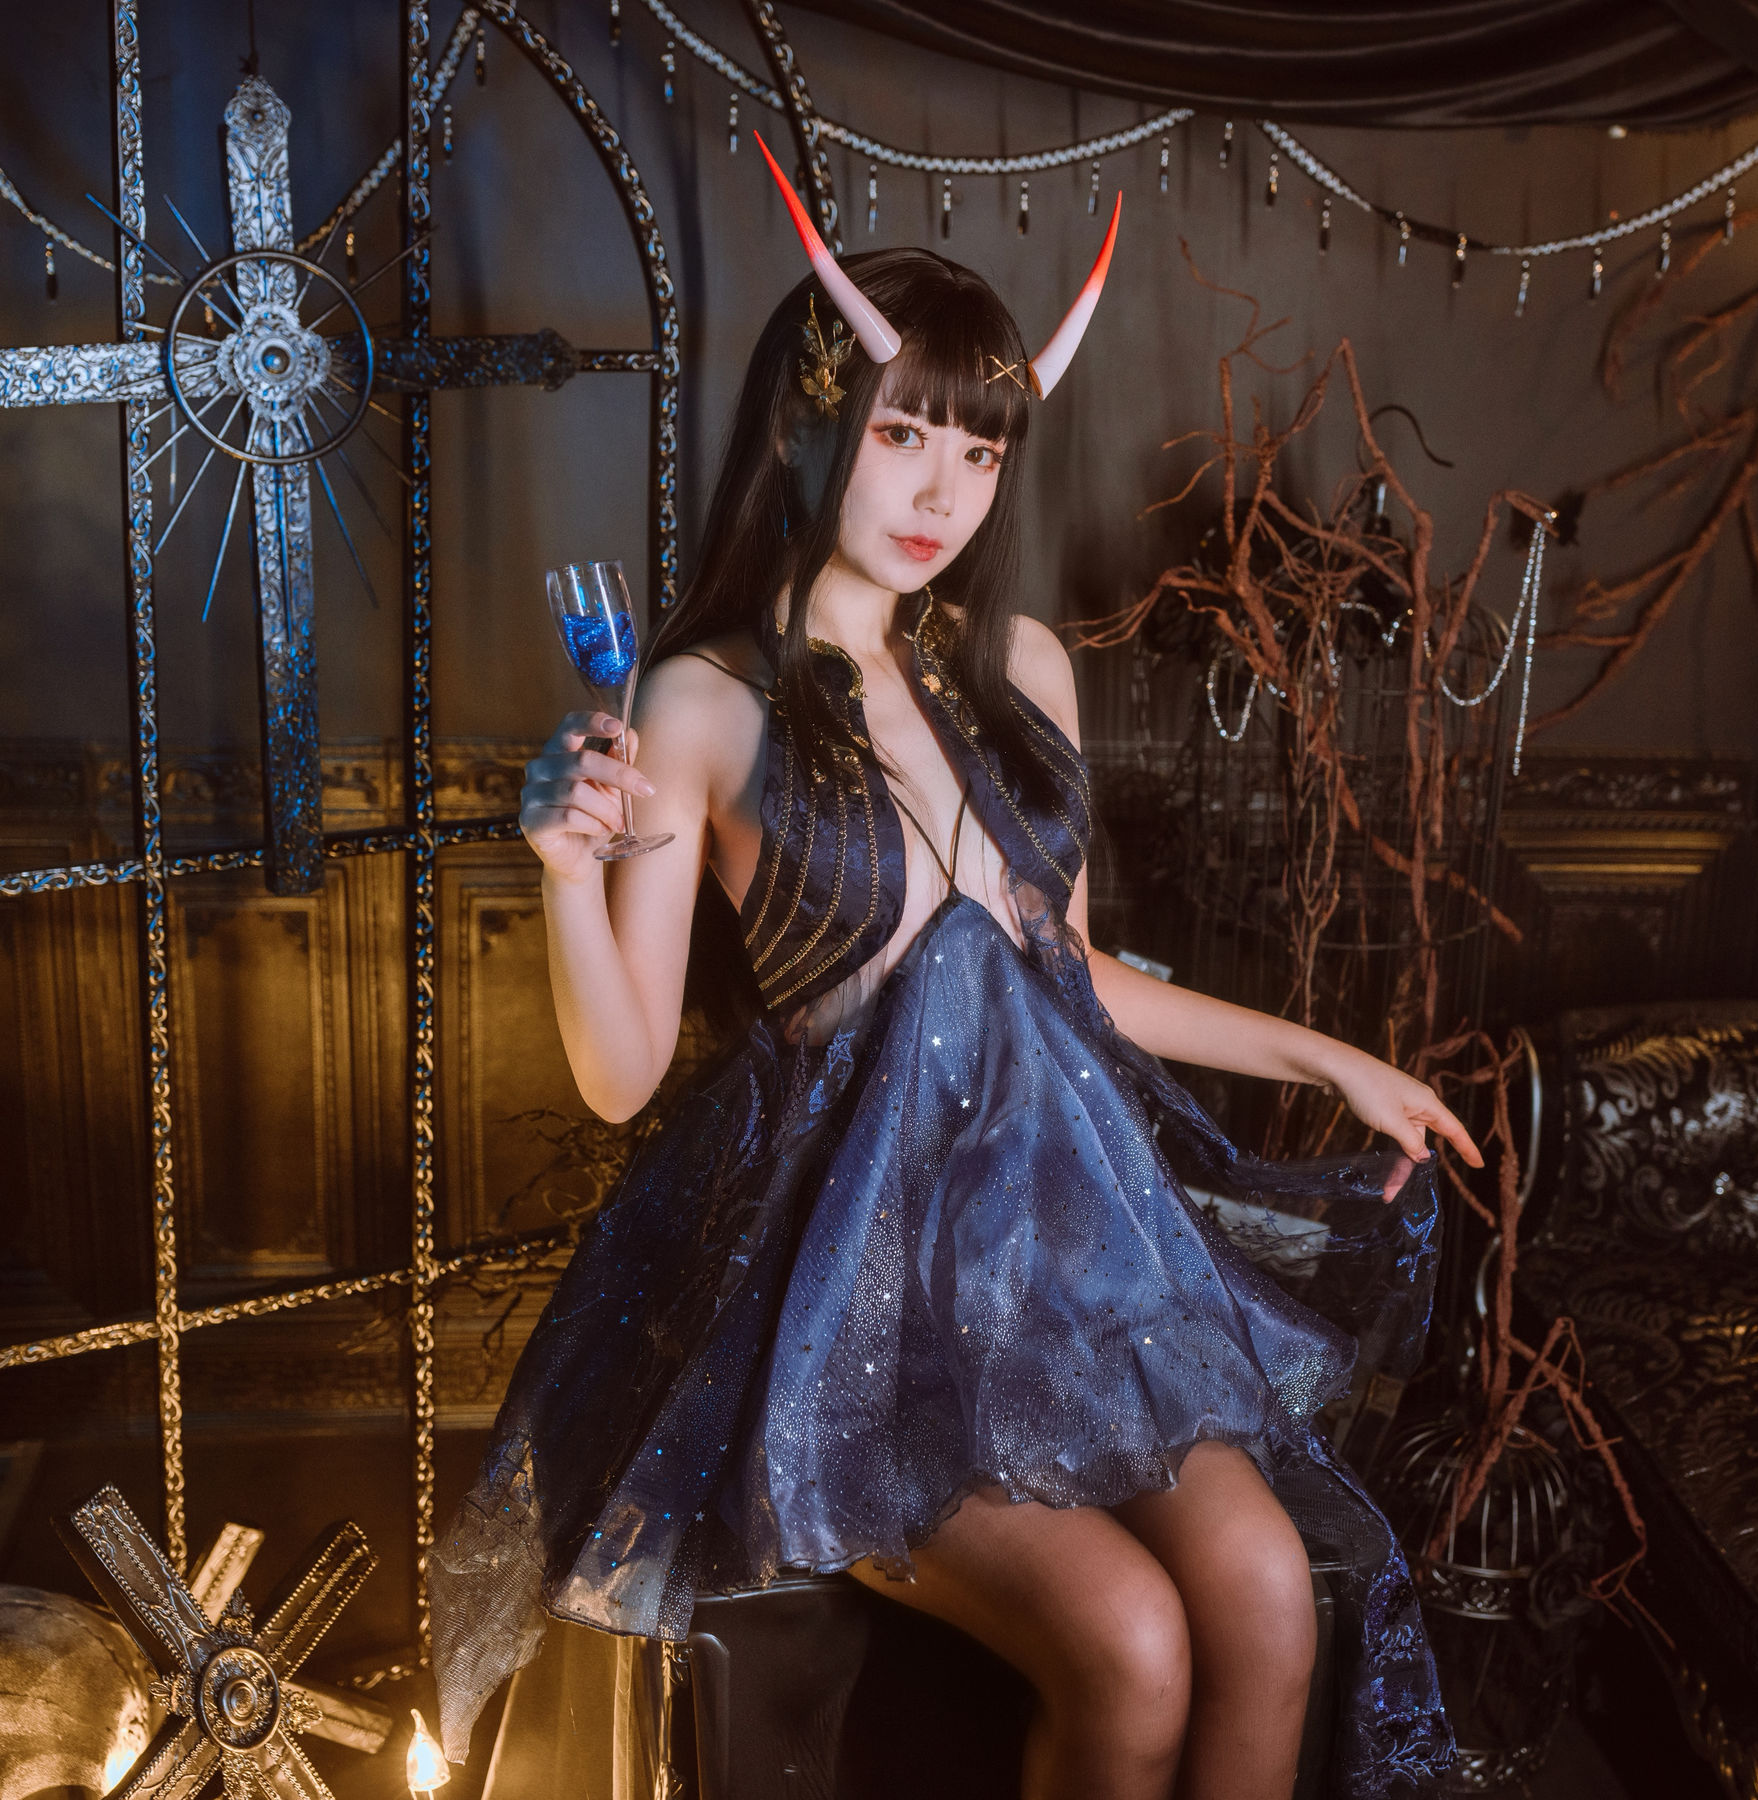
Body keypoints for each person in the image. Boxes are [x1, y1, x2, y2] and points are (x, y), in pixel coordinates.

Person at [431, 142, 1474, 1800]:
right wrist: (564, 872)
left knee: (1269, 1596)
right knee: (1129, 1646)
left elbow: (1068, 980)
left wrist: (1325, 1058)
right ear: (808, 426)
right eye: (901, 434)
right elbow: (618, 1077)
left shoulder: (1019, 667)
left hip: (1061, 1260)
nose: (940, 493)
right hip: (851, 1304)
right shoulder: (701, 701)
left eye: (979, 451)